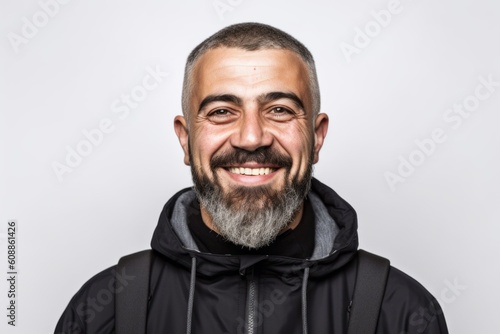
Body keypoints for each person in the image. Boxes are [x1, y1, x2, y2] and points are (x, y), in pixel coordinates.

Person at [55, 22, 448, 334]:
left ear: (316, 135)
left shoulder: (400, 312)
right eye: (222, 111)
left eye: (279, 109)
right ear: (185, 138)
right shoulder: (104, 311)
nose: (251, 137)